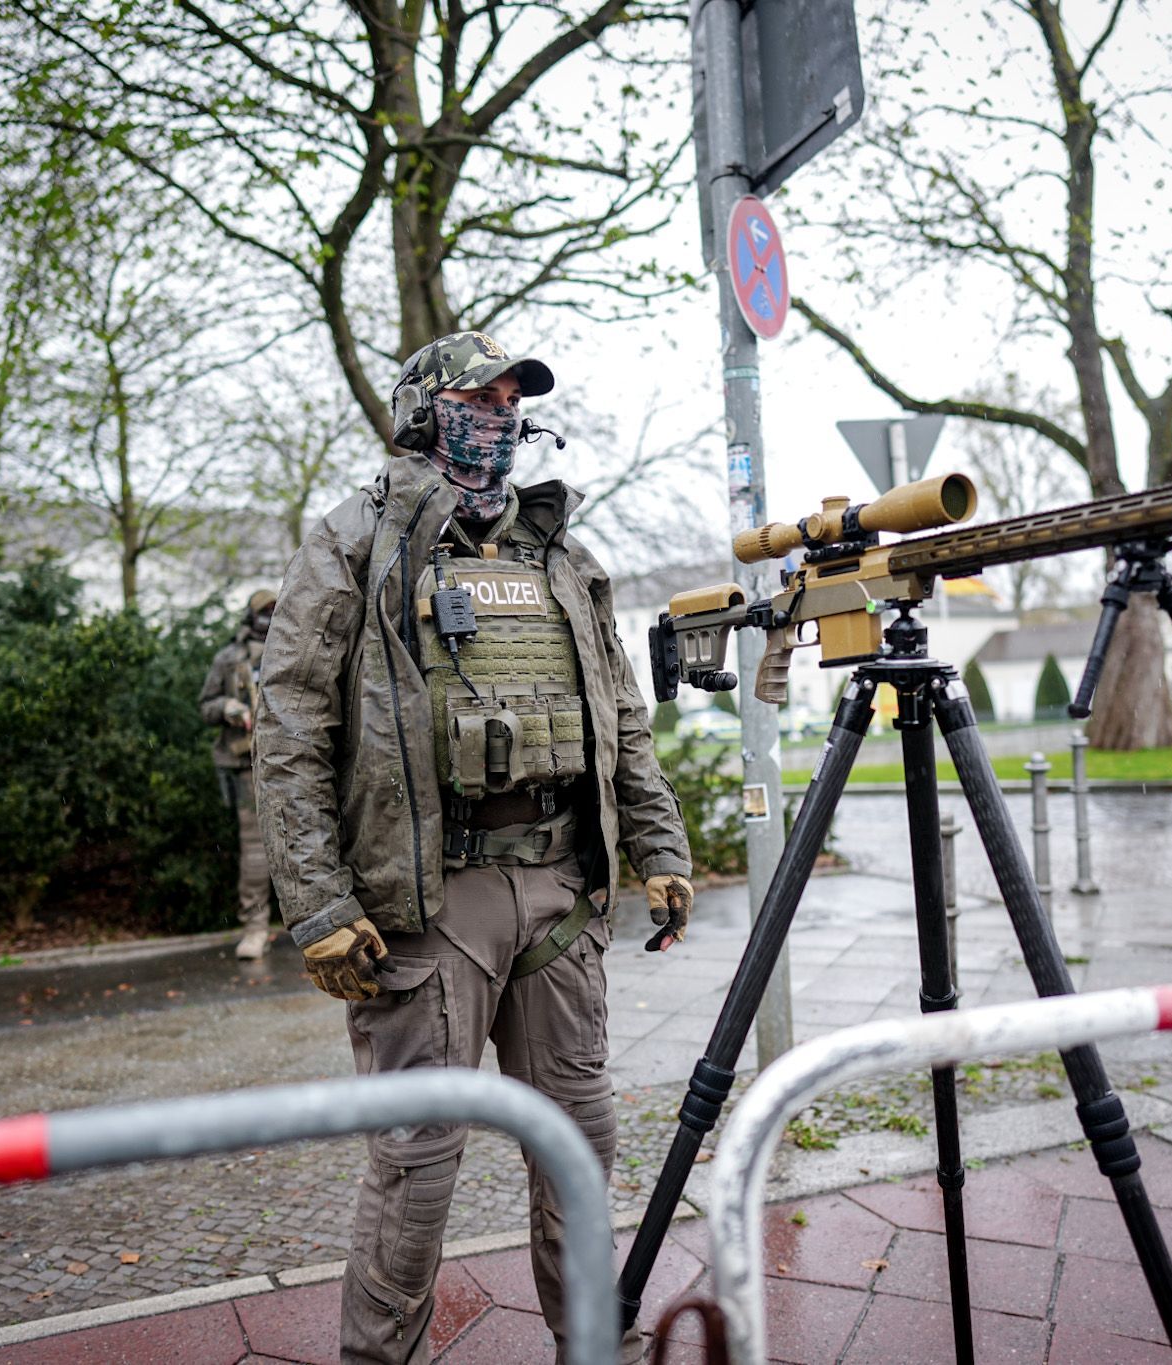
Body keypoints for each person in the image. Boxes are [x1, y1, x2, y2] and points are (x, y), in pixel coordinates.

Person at [253, 331, 693, 1364]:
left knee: (579, 1138)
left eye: (510, 397)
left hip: (557, 889)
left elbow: (618, 713)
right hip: (425, 901)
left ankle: (593, 1341)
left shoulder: (560, 556)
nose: (496, 410)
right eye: (474, 394)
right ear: (420, 408)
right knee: (418, 1157)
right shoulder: (354, 540)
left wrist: (656, 841)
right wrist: (317, 904)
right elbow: (289, 722)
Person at [200, 588, 277, 959]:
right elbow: (205, 705)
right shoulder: (229, 659)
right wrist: (229, 705)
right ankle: (256, 928)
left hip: (296, 762)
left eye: (276, 610)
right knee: (255, 850)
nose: (270, 617)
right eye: (264, 611)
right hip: (247, 763)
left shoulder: (295, 648)